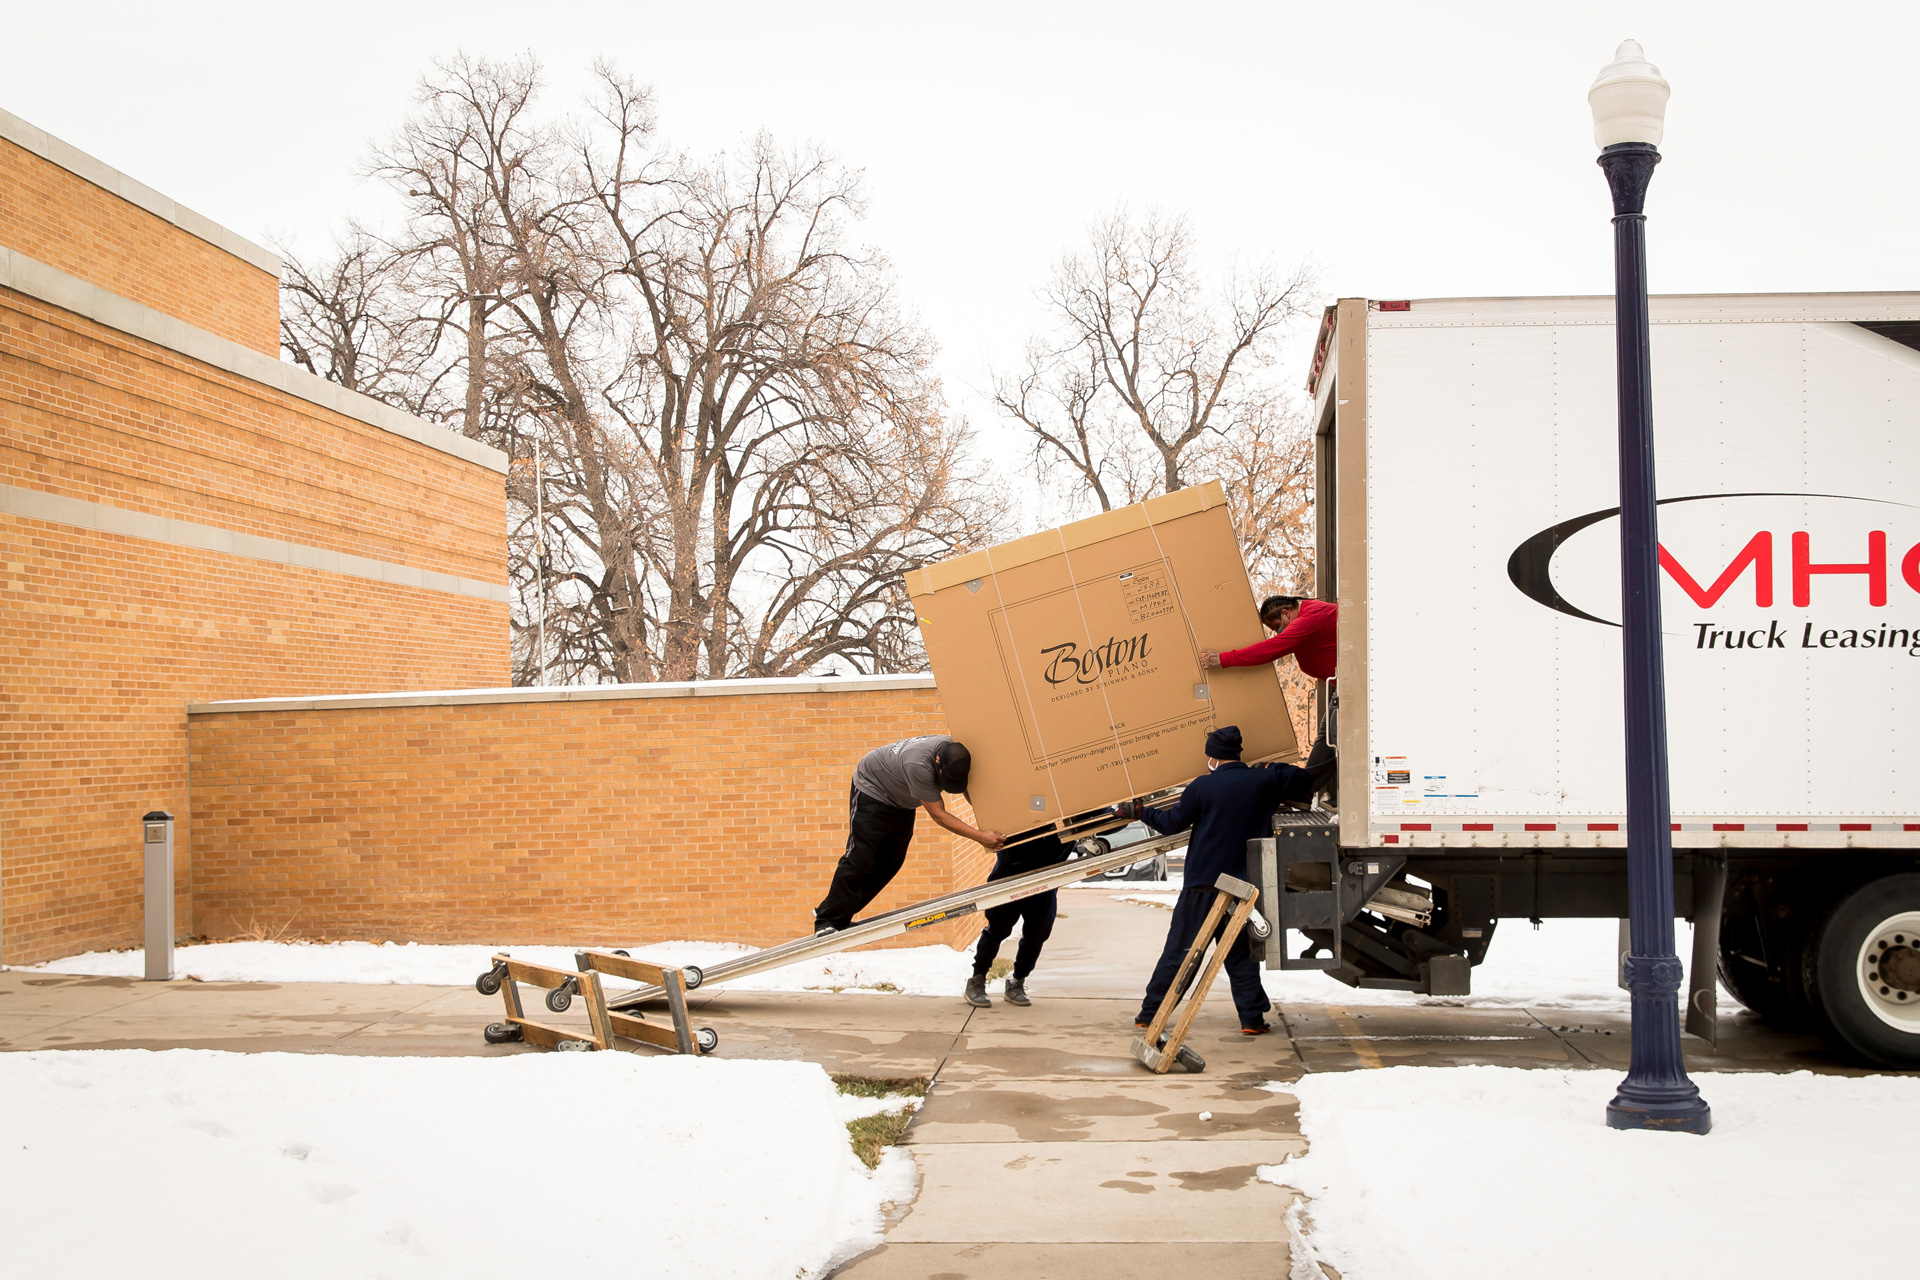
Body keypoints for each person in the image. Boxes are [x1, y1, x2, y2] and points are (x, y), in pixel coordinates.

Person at [1123, 725, 1313, 1035]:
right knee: (1238, 954)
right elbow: (1306, 780)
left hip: (1203, 883)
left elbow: (1172, 823)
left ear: (1213, 757)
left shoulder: (1203, 786)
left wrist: (1140, 812)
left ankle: (1150, 1013)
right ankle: (1251, 1020)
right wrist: (1271, 768)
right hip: (1242, 886)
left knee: (1181, 952)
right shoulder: (1263, 781)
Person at [814, 735, 1006, 934]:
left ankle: (836, 912)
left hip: (902, 801)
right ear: (938, 762)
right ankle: (827, 920)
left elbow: (968, 789)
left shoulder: (957, 754)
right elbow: (939, 815)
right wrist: (980, 836)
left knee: (891, 862)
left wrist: (990, 817)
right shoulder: (918, 764)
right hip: (873, 790)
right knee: (860, 856)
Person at [1202, 595, 1338, 802]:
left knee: (1335, 735)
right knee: (1328, 735)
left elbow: (1269, 650)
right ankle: (1302, 792)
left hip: (1356, 686)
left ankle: (1313, 791)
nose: (1278, 633)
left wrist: (1223, 659)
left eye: (1276, 627)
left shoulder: (1309, 619)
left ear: (1285, 613)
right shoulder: (1312, 612)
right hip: (1346, 686)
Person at [964, 832, 1071, 1008]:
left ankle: (1017, 982)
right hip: (1010, 872)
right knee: (999, 929)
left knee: (1038, 932)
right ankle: (977, 979)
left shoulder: (1067, 809)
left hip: (1045, 876)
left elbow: (1100, 818)